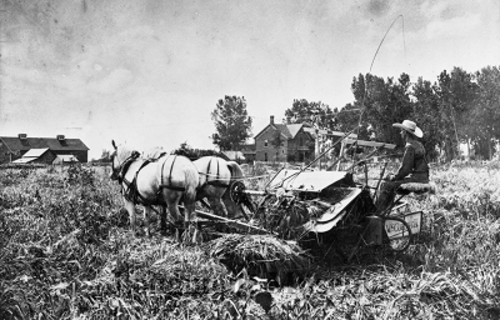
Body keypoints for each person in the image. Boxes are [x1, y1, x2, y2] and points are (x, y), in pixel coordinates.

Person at [375, 120, 429, 213]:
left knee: (385, 185)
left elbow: (405, 169)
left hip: (417, 180)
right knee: (391, 183)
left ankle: (377, 213)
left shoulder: (410, 146)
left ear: (405, 133)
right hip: (424, 179)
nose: (400, 133)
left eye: (401, 131)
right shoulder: (419, 144)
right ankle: (386, 211)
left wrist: (394, 177)